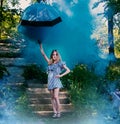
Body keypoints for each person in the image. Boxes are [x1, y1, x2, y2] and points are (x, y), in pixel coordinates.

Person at [38, 40, 70, 118]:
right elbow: (43, 54)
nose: (54, 56)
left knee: (56, 97)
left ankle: (59, 112)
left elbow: (68, 70)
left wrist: (61, 75)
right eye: (53, 55)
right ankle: (55, 112)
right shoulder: (49, 62)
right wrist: (41, 45)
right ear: (52, 56)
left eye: (56, 54)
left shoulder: (60, 63)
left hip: (56, 81)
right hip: (50, 81)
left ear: (58, 55)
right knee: (52, 98)